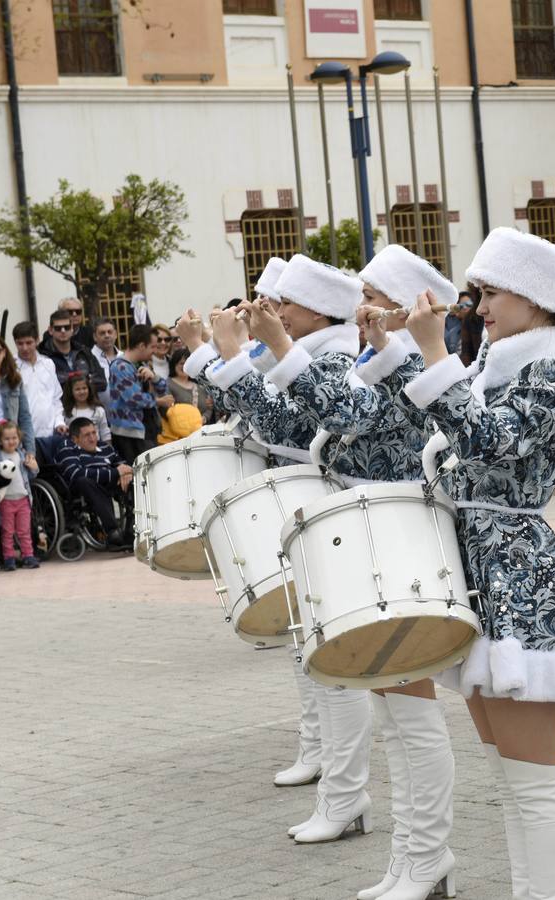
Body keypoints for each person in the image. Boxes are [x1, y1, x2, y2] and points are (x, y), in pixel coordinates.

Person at [360, 227, 555, 898]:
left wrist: (426, 348)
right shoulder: (500, 364)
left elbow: (487, 439)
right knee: (510, 774)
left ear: (534, 299)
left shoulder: (549, 372)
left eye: (492, 293)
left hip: (518, 577)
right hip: (484, 571)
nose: (479, 307)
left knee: (534, 778)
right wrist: (397, 352)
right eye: (479, 293)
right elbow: (439, 424)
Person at [209, 243, 463, 897]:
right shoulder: (377, 362)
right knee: (393, 709)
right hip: (368, 536)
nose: (359, 309)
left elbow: (339, 416)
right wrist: (248, 355)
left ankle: (426, 857)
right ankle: (412, 859)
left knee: (410, 712)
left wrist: (265, 349)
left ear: (406, 310)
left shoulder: (409, 367)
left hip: (396, 543)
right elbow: (293, 419)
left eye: (371, 298)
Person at [183, 255, 375, 850]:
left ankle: (344, 792)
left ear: (316, 312)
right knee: (308, 643)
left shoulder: (336, 356)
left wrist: (234, 354)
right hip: (307, 503)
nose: (273, 313)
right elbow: (246, 404)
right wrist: (218, 353)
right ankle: (323, 761)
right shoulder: (314, 350)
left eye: (284, 305)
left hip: (331, 506)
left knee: (334, 658)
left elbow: (287, 426)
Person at [55, 417, 130, 549]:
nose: (92, 438)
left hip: (108, 483)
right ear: (75, 439)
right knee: (84, 480)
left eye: (94, 433)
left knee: (133, 482)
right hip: (81, 489)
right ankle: (113, 533)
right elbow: (75, 474)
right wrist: (115, 473)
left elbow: (122, 465)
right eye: (87, 435)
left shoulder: (105, 447)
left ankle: (132, 530)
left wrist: (127, 474)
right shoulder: (67, 448)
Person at [107, 324, 171, 463]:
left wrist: (154, 377)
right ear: (142, 345)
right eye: (152, 346)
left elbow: (164, 389)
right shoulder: (120, 366)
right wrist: (159, 401)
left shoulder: (142, 364)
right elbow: (134, 399)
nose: (155, 351)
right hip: (128, 433)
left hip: (146, 429)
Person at [0, 420, 37, 570]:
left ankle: (28, 555)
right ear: (0, 441)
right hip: (6, 501)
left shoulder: (22, 455)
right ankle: (9, 557)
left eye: (14, 437)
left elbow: (32, 475)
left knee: (24, 530)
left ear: (19, 438)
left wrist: (34, 467)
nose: (11, 441)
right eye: (7, 439)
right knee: (7, 531)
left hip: (23, 499)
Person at [12, 322, 66, 437]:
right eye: (20, 343)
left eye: (29, 342)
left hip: (52, 433)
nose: (25, 348)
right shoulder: (11, 367)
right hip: (25, 436)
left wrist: (59, 422)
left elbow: (56, 398)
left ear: (37, 340)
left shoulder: (48, 364)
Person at [40, 310, 105, 399]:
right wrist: (84, 379)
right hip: (59, 410)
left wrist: (65, 379)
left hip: (87, 409)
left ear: (72, 329)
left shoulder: (84, 351)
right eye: (58, 328)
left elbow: (101, 382)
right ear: (50, 330)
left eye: (66, 327)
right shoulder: (42, 355)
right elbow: (45, 388)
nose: (63, 331)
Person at [165, 348, 213, 424]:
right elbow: (168, 409)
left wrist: (204, 418)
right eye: (181, 363)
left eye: (187, 363)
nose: (184, 366)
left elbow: (209, 408)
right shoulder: (168, 384)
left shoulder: (200, 387)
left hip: (200, 430)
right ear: (174, 365)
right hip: (179, 431)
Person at [62, 373, 111, 443]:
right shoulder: (67, 412)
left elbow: (105, 432)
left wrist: (108, 448)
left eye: (84, 388)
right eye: (77, 389)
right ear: (71, 391)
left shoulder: (98, 410)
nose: (82, 392)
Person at [90, 318, 121, 404]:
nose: (107, 335)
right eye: (102, 333)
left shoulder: (124, 357)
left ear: (115, 334)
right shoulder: (89, 358)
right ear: (95, 337)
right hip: (99, 414)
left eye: (109, 332)